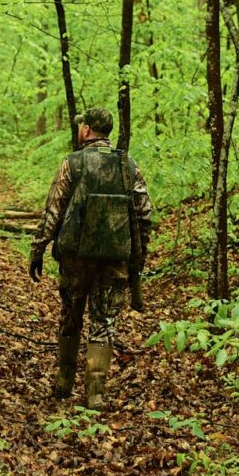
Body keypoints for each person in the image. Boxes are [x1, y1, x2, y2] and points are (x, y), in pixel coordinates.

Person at [29, 107, 153, 408]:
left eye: (81, 125)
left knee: (71, 316)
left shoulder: (72, 163)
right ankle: (95, 392)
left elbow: (53, 210)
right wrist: (137, 255)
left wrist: (39, 248)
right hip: (114, 260)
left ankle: (64, 381)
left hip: (75, 260)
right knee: (104, 321)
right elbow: (144, 213)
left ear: (86, 130)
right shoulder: (128, 165)